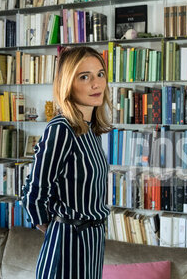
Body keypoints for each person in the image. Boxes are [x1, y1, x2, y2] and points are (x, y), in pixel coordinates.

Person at [22, 46, 112, 279]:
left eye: (100, 74)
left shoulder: (91, 131)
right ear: (68, 84)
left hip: (93, 242)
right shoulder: (62, 129)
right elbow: (34, 192)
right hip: (68, 244)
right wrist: (58, 230)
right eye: (85, 77)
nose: (96, 83)